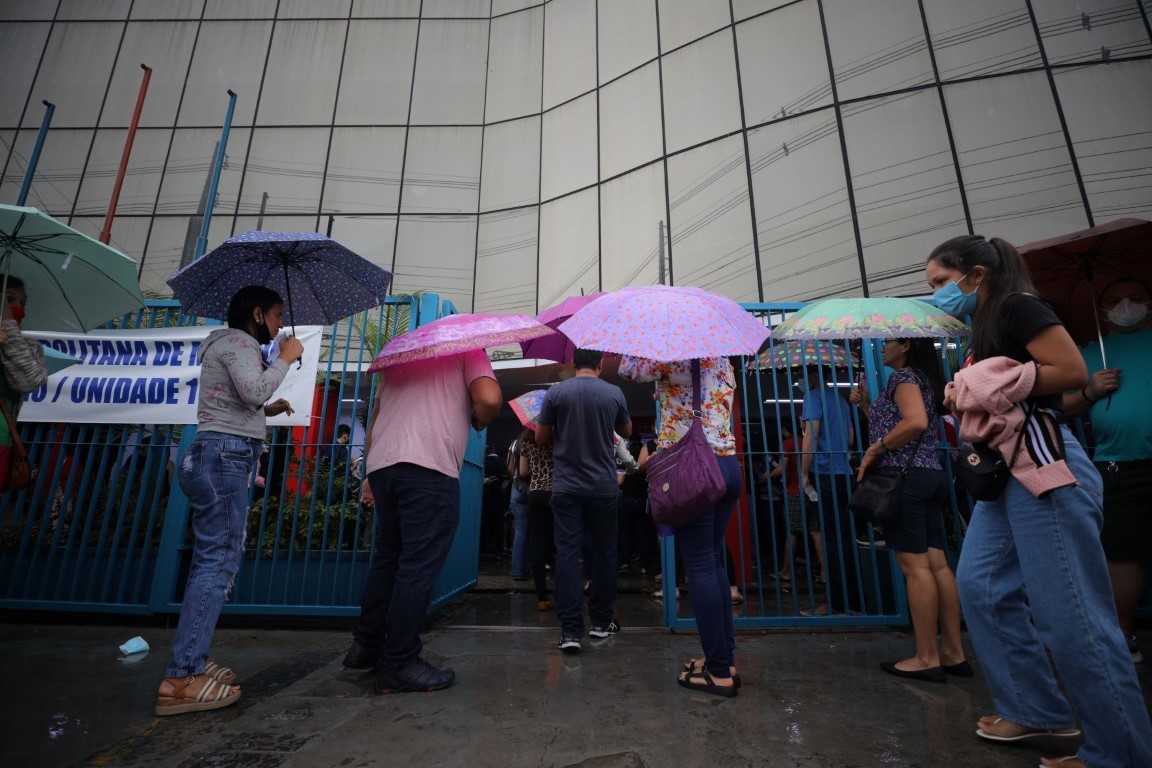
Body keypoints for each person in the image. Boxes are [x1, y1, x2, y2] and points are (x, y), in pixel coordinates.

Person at [926, 235, 1152, 768]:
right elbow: (1036, 393)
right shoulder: (984, 323)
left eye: (940, 282)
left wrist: (978, 387)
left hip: (1044, 469)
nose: (937, 294)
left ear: (976, 274)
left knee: (1072, 618)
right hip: (1007, 472)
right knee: (980, 586)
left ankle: (1118, 754)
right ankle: (1034, 710)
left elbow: (1070, 371)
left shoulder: (1018, 306)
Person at [156, 286, 301, 715]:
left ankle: (193, 660)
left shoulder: (228, 344)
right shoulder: (239, 341)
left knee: (213, 559)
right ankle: (183, 676)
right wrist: (286, 357)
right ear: (257, 314)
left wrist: (268, 412)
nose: (278, 325)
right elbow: (253, 389)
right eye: (276, 316)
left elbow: (240, 400)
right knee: (217, 561)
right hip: (224, 457)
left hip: (217, 455)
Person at [343, 348, 501, 693]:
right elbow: (489, 399)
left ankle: (366, 645)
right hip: (427, 466)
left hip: (385, 465)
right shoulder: (467, 349)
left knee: (389, 558)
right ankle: (399, 661)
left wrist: (371, 471)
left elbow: (376, 421)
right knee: (417, 565)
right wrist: (476, 419)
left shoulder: (402, 359)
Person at [620, 355, 742, 697]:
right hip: (728, 467)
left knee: (700, 565)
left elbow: (629, 369)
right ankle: (723, 660)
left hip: (696, 470)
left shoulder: (672, 359)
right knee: (713, 562)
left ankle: (718, 673)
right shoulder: (721, 362)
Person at [851, 338, 968, 683]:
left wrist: (877, 448)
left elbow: (914, 422)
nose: (882, 348)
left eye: (887, 343)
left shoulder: (903, 379)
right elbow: (903, 422)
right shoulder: (922, 379)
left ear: (904, 346)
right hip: (928, 474)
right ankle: (952, 652)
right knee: (937, 565)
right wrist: (868, 407)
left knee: (913, 567)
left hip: (905, 480)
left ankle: (925, 657)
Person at [1061, 277, 1152, 665]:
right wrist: (1090, 392)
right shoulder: (1086, 355)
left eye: (1136, 297)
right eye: (1114, 301)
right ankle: (1123, 636)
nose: (1126, 305)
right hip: (1118, 466)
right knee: (1119, 556)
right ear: (1100, 312)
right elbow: (1060, 408)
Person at [534, 349, 631, 654]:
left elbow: (540, 438)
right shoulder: (614, 392)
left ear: (573, 364)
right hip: (603, 487)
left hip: (566, 488)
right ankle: (601, 623)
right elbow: (625, 431)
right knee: (604, 553)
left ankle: (570, 631)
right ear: (601, 364)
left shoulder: (557, 393)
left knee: (566, 554)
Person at [798, 366, 861, 616]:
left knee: (831, 541)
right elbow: (850, 439)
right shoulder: (843, 401)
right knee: (846, 538)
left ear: (813, 377)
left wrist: (803, 473)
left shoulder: (812, 397)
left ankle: (835, 602)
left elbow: (810, 437)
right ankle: (854, 600)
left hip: (824, 474)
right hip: (844, 473)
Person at [0, 276, 47, 489]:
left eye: (22, 303)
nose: (17, 308)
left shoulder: (29, 347)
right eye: (8, 300)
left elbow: (29, 381)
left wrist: (9, 330)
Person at [773, 421, 825, 586]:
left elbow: (781, 469)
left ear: (784, 428)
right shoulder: (808, 440)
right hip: (813, 490)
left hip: (795, 491)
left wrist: (764, 478)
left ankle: (786, 572)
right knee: (816, 531)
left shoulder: (789, 443)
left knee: (792, 531)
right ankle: (825, 573)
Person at [517, 426, 554, 610]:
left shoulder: (526, 443)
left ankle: (542, 598)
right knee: (561, 544)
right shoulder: (557, 438)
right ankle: (564, 592)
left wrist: (536, 470)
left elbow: (522, 472)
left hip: (536, 494)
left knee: (538, 546)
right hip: (557, 494)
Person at [506, 435, 530, 581]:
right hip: (533, 488)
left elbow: (509, 468)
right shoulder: (537, 442)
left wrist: (516, 476)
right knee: (534, 531)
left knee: (520, 530)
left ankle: (517, 572)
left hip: (517, 487)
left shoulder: (514, 444)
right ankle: (529, 567)